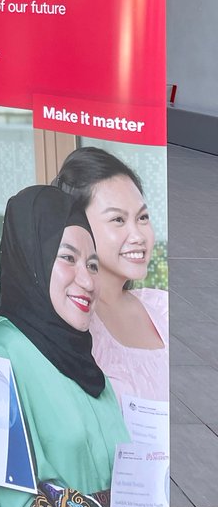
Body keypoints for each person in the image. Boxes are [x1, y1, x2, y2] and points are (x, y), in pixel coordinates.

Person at [0, 185, 130, 507]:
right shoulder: (2, 345)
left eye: (93, 264)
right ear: (32, 257)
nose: (88, 280)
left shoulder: (89, 367)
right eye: (67, 258)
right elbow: (10, 503)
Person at [54, 147, 168, 404]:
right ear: (78, 226)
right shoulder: (73, 325)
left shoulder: (162, 307)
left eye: (143, 217)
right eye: (118, 219)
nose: (139, 235)